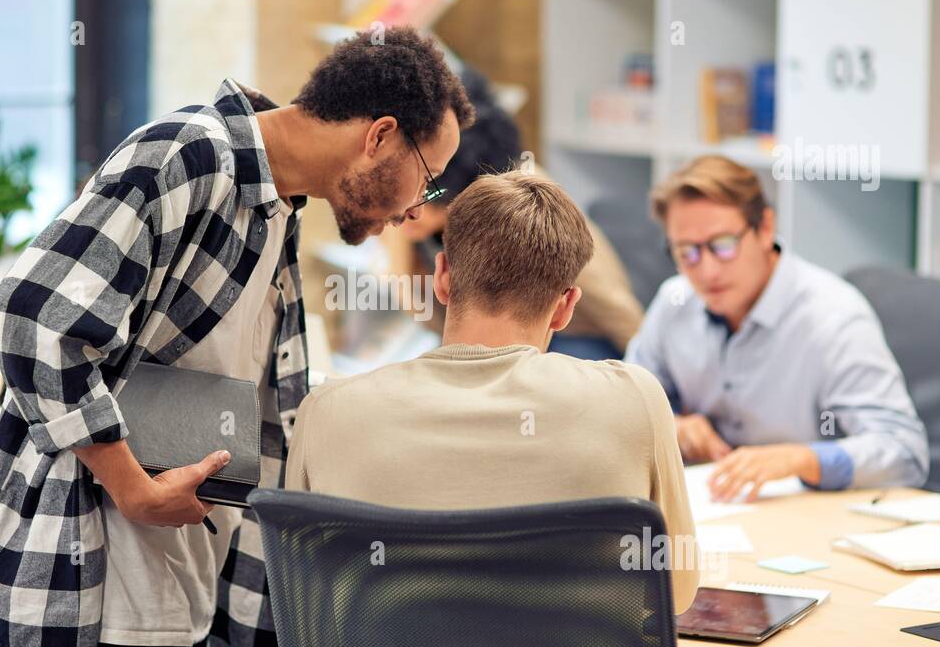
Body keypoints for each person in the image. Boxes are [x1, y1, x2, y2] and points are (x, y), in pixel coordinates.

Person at [0, 27, 474, 647]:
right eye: (427, 176)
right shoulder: (189, 158)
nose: (418, 209)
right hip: (112, 583)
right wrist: (134, 490)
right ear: (379, 135)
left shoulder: (275, 208)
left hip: (184, 573)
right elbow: (32, 315)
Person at [286, 170, 699, 614]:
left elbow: (299, 596)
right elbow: (675, 590)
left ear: (442, 278)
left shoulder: (327, 411)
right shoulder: (635, 399)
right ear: (565, 307)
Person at [626, 155, 928, 501]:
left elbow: (905, 453)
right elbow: (624, 409)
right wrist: (672, 428)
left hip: (813, 519)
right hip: (713, 510)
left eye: (723, 245)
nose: (706, 271)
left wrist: (801, 458)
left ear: (765, 228)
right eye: (687, 252)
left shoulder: (834, 317)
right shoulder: (675, 302)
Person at [395, 64, 644, 359]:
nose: (407, 211)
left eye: (427, 193)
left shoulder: (525, 195)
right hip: (485, 340)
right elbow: (428, 311)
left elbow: (610, 299)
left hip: (571, 337)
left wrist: (653, 382)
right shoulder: (416, 211)